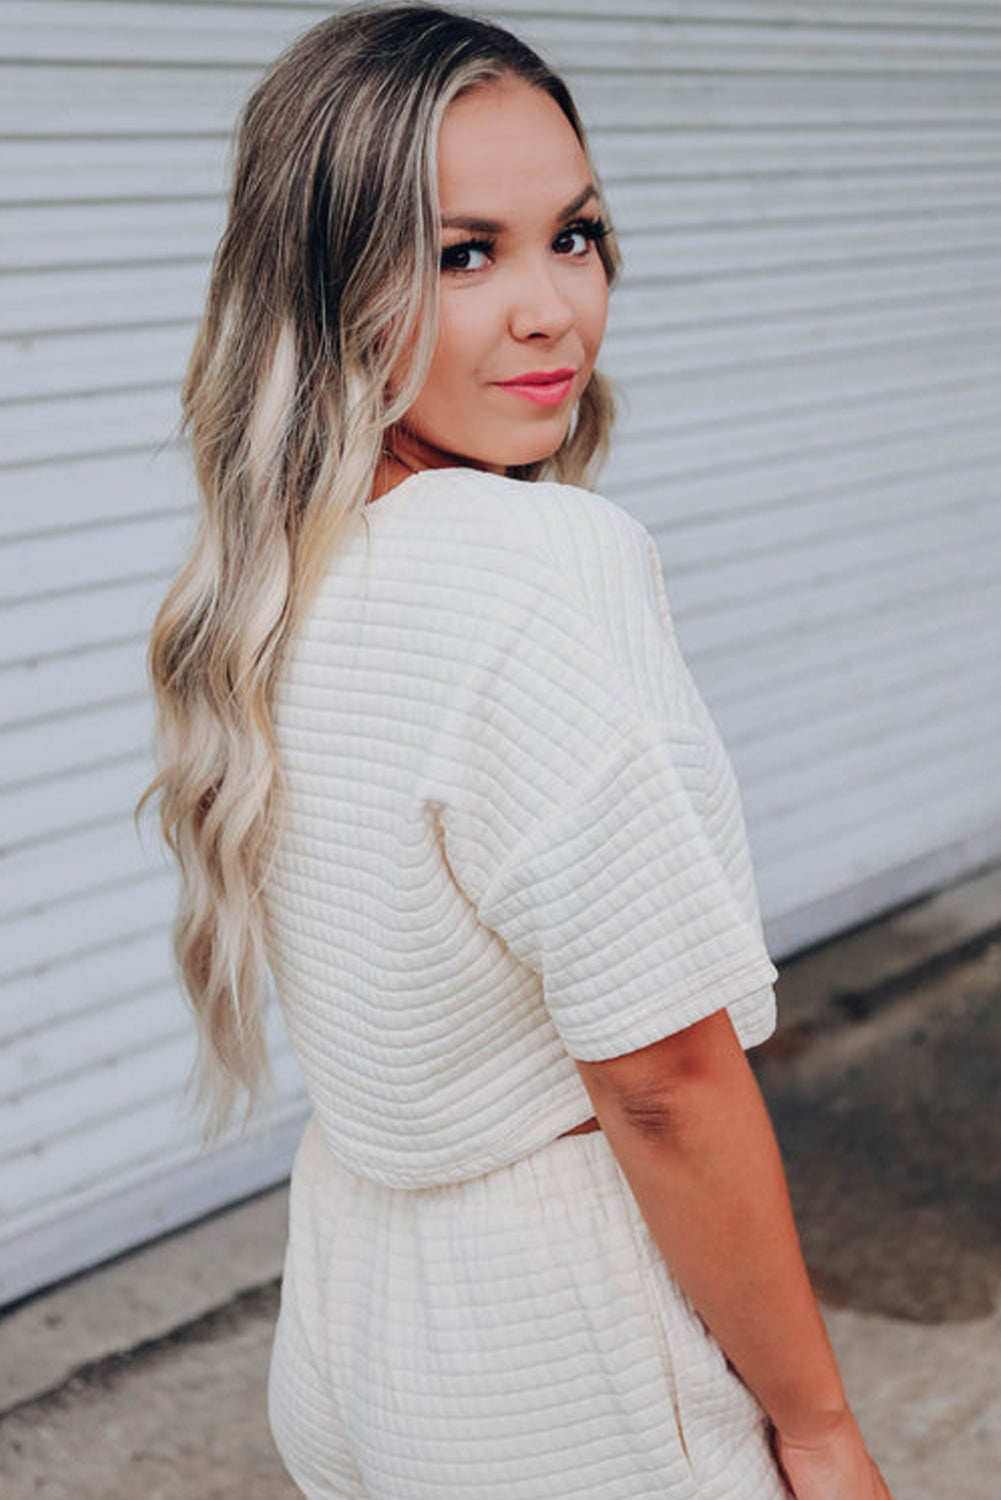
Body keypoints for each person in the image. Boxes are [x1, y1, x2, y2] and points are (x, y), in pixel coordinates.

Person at [137, 5, 897, 1498]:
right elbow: (665, 1076)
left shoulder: (274, 574)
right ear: (327, 283)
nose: (552, 308)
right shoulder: (540, 568)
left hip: (357, 1325)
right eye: (463, 253)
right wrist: (818, 1426)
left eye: (576, 235)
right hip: (568, 1370)